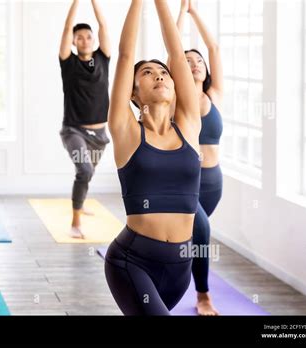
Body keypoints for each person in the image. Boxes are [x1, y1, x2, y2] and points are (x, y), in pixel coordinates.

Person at [104, 0, 201, 315]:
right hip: (132, 262)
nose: (159, 76)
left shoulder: (188, 125)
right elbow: (125, 55)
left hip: (180, 269)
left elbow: (176, 54)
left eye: (163, 73)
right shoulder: (127, 131)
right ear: (133, 93)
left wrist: (162, 4)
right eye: (147, 73)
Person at [175, 0, 224, 316]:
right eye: (187, 60)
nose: (194, 63)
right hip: (186, 181)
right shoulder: (178, 97)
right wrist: (180, 13)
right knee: (202, 231)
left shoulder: (214, 95)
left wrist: (194, 11)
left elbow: (214, 47)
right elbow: (172, 48)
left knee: (191, 237)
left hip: (214, 182)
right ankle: (203, 296)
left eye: (198, 61)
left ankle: (171, 269)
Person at [59, 0, 112, 238]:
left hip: (100, 134)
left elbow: (103, 24)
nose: (84, 40)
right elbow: (67, 26)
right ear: (73, 41)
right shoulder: (68, 63)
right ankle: (75, 222)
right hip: (74, 131)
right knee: (85, 170)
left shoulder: (103, 58)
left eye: (88, 36)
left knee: (88, 174)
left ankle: (80, 202)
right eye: (78, 37)